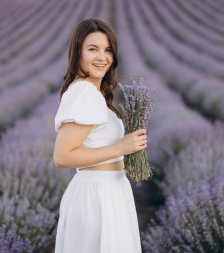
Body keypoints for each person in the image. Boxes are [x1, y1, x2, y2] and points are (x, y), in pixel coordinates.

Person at [52, 18, 146, 253]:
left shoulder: (92, 92)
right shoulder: (85, 92)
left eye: (108, 50)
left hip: (108, 191)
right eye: (92, 49)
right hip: (96, 196)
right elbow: (62, 157)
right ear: (78, 53)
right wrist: (120, 148)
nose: (102, 57)